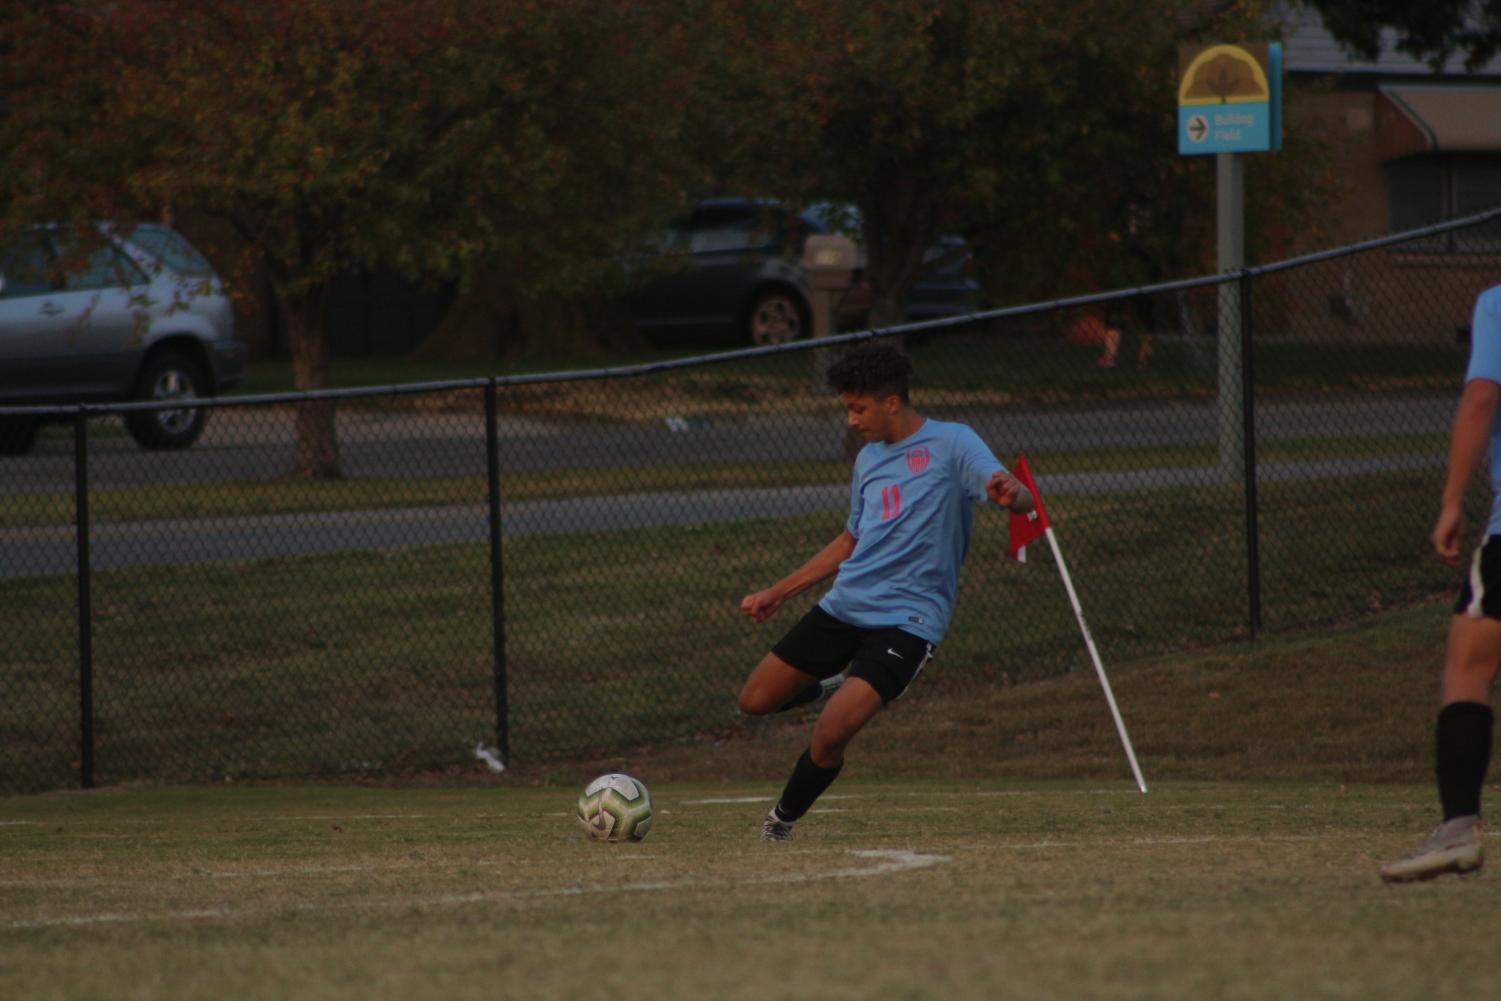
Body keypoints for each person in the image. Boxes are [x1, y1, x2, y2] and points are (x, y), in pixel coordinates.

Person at [736, 343, 1034, 841]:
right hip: (845, 606)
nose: (852, 420)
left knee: (830, 733)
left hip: (909, 620)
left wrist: (1013, 495)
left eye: (859, 408)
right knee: (755, 701)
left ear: (891, 401)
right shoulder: (869, 460)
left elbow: (1018, 495)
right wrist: (778, 592)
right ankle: (834, 679)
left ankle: (780, 822)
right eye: (847, 409)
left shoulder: (954, 443)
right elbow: (852, 538)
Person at [1381, 282, 1501, 883]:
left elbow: (1481, 398)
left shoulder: (1498, 304)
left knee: (1469, 666)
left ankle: (1459, 827)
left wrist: (1452, 500)